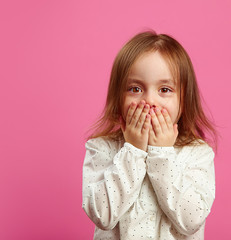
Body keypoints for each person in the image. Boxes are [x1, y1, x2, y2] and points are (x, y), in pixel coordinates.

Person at [82, 30, 219, 240]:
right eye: (135, 89)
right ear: (118, 98)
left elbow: (191, 220)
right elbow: (102, 215)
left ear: (184, 101)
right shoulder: (102, 148)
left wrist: (162, 154)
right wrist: (133, 151)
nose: (150, 101)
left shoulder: (197, 153)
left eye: (164, 89)